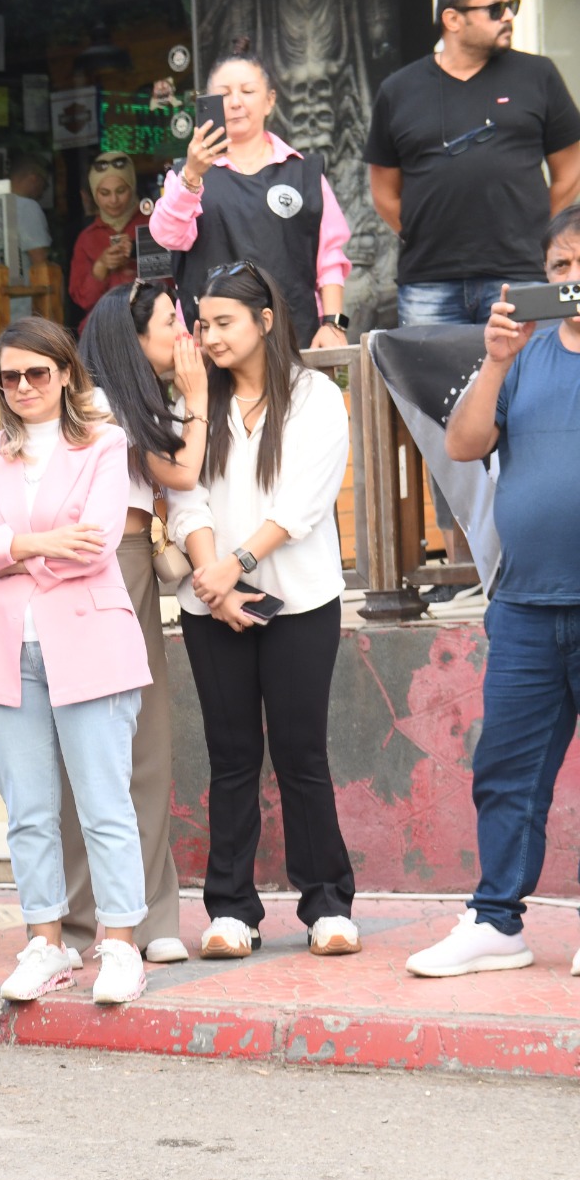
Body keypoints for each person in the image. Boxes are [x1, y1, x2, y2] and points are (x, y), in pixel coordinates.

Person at [0, 319, 155, 1005]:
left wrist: (3, 551)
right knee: (28, 811)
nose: (24, 386)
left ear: (65, 373)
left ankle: (121, 945)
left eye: (38, 372)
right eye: (10, 377)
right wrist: (37, 542)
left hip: (90, 645)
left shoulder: (104, 443)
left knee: (104, 804)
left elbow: (94, 546)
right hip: (5, 651)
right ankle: (45, 942)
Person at [167, 262, 359, 959]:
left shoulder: (315, 397)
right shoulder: (194, 401)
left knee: (302, 753)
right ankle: (231, 910)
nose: (210, 337)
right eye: (203, 324)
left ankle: (327, 904)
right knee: (231, 756)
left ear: (265, 321)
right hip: (211, 605)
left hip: (300, 600)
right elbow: (183, 493)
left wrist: (233, 566)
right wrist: (212, 581)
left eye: (224, 322)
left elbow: (304, 502)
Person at [410, 206, 580, 977]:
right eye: (558, 267)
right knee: (506, 771)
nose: (570, 280)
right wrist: (497, 361)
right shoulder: (523, 360)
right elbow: (464, 443)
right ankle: (495, 922)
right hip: (525, 607)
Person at [72, 282, 212, 966]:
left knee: (135, 742)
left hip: (126, 564)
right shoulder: (102, 405)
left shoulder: (122, 402)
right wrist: (199, 397)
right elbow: (182, 473)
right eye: (169, 323)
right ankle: (129, 916)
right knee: (121, 743)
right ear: (132, 339)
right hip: (101, 568)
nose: (183, 335)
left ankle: (129, 916)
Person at [366, 0, 580, 330]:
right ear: (452, 20)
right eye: (495, 9)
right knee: (430, 368)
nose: (508, 16)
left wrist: (534, 228)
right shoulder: (398, 90)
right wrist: (425, 233)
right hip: (429, 282)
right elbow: (383, 192)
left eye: (511, 6)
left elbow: (570, 171)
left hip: (521, 274)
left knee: (530, 365)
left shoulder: (538, 75)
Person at [151, 52, 354, 351]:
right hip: (213, 349)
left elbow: (330, 257)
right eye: (224, 94)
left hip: (296, 339)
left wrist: (333, 323)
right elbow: (167, 236)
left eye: (247, 91)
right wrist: (192, 176)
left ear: (270, 101)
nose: (235, 102)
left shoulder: (302, 173)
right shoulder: (187, 174)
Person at [70, 152, 150, 316]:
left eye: (121, 190)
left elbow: (172, 280)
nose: (114, 200)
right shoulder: (87, 238)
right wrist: (100, 267)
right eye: (105, 193)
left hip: (151, 320)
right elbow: (83, 301)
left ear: (132, 187)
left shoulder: (154, 223)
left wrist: (138, 251)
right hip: (106, 324)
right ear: (94, 194)